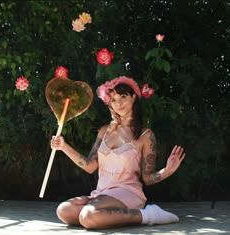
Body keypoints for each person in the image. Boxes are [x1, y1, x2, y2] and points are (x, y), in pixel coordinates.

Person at [51, 76, 185, 229]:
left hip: (127, 193)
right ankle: (102, 215)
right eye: (113, 99)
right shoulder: (104, 131)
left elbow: (147, 178)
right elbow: (90, 166)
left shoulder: (145, 135)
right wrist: (63, 146)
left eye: (123, 97)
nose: (118, 103)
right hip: (101, 192)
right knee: (64, 210)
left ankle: (149, 215)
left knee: (88, 216)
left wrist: (167, 171)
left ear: (133, 98)